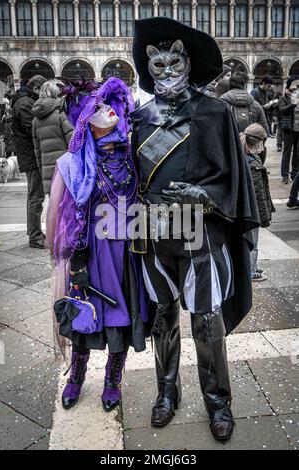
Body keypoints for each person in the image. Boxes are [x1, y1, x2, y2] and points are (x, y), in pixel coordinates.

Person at [131, 17, 259, 442]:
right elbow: (126, 176)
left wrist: (204, 196)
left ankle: (217, 402)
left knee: (207, 320)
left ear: (186, 63)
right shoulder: (138, 117)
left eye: (173, 64)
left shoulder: (213, 111)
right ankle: (166, 394)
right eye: (158, 65)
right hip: (151, 230)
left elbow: (231, 178)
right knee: (162, 319)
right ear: (148, 65)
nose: (166, 72)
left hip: (200, 232)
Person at [46, 77, 150, 412]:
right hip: (89, 252)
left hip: (125, 253)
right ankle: (76, 377)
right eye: (100, 109)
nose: (110, 113)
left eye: (110, 106)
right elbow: (58, 221)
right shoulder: (73, 165)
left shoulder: (132, 154)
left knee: (120, 315)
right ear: (86, 119)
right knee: (83, 318)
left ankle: (112, 380)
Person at [12, 75, 47, 249]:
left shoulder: (24, 101)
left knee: (34, 195)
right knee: (36, 196)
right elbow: (32, 127)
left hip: (29, 154)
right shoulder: (24, 103)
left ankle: (35, 232)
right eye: (42, 90)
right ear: (36, 89)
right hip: (30, 156)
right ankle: (34, 236)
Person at [240, 124, 275, 281]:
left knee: (248, 242)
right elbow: (258, 194)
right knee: (253, 244)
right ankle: (251, 272)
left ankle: (250, 268)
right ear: (259, 142)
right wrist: (263, 215)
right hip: (252, 212)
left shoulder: (243, 157)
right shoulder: (253, 164)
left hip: (245, 211)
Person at [32, 80, 73, 195]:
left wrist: (43, 171)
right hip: (65, 170)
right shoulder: (61, 113)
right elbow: (73, 143)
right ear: (57, 94)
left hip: (47, 172)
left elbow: (37, 151)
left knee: (55, 209)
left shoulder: (36, 119)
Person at [278, 77, 299, 184]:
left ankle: (295, 174)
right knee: (287, 152)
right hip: (288, 129)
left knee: (297, 153)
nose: (296, 87)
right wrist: (293, 104)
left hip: (298, 129)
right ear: (289, 86)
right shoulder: (283, 98)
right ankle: (285, 175)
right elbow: (282, 110)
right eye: (294, 85)